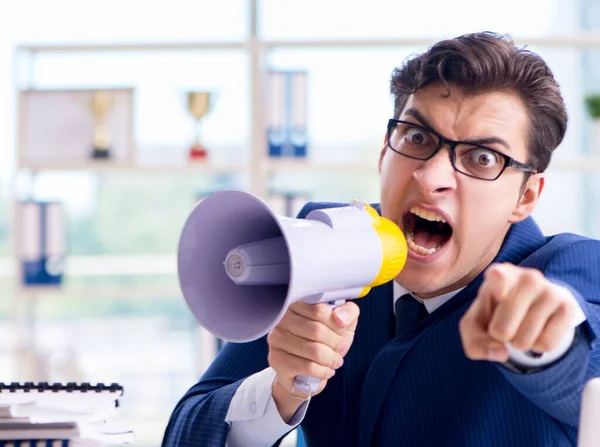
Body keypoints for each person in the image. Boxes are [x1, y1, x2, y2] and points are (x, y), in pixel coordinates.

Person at [161, 32, 600, 446]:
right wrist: (280, 390)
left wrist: (549, 342)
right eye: (416, 137)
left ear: (525, 196)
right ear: (384, 152)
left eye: (482, 158)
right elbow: (186, 433)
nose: (430, 177)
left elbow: (585, 375)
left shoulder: (567, 269)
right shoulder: (323, 244)